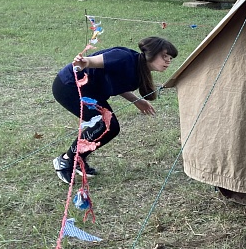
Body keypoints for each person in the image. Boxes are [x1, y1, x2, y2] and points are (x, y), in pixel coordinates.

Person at [52, 37, 178, 183]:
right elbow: (91, 62)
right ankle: (66, 160)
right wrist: (84, 62)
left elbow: (117, 83)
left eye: (170, 58)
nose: (168, 61)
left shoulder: (139, 70)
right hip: (69, 86)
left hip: (90, 92)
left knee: (109, 127)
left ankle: (77, 159)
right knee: (106, 125)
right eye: (164, 56)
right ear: (152, 53)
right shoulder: (124, 57)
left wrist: (137, 101)